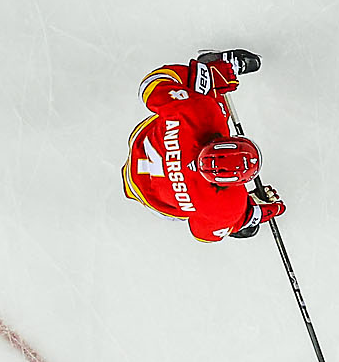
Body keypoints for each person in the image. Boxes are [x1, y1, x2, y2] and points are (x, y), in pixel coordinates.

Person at [122, 49, 286, 242]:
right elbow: (202, 234)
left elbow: (150, 86)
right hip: (150, 197)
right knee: (216, 216)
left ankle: (211, 70)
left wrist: (206, 77)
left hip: (141, 144)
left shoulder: (198, 112)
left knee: (212, 106)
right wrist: (242, 218)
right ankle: (225, 223)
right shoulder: (228, 206)